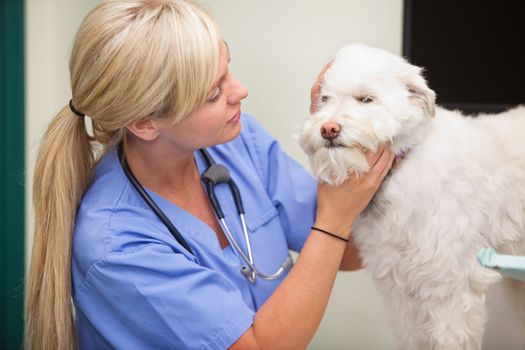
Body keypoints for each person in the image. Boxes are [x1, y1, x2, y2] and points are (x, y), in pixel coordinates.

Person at [25, 1, 394, 349]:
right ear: (145, 122)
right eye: (215, 92)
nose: (241, 91)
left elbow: (349, 254)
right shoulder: (118, 246)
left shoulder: (236, 142)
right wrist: (333, 217)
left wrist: (340, 150)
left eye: (227, 69)